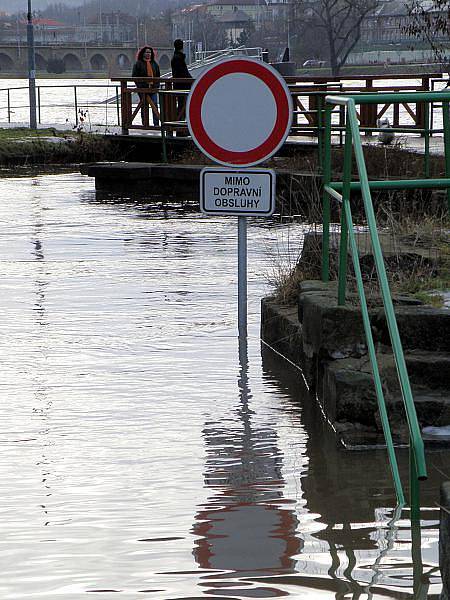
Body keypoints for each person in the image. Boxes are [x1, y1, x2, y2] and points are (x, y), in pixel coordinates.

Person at [132, 46, 161, 127]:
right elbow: (134, 76)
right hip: (142, 89)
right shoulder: (138, 64)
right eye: (147, 52)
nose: (148, 54)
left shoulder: (154, 64)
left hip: (153, 89)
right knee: (144, 106)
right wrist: (141, 86)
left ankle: (156, 124)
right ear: (143, 53)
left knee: (154, 105)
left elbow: (158, 76)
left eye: (150, 52)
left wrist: (156, 86)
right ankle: (145, 124)